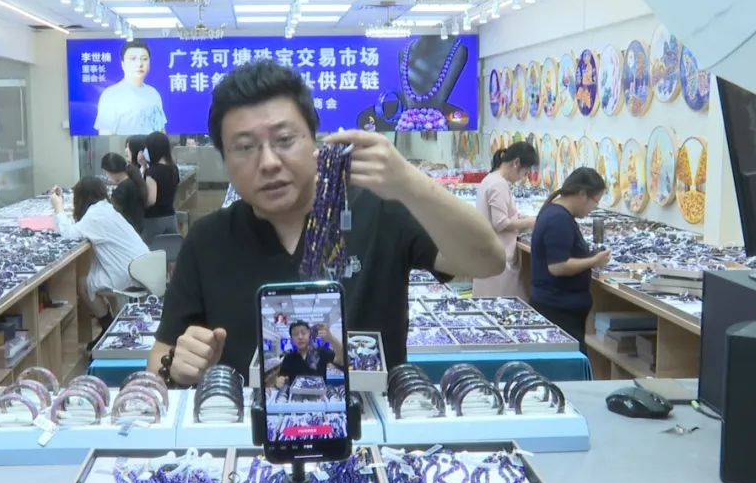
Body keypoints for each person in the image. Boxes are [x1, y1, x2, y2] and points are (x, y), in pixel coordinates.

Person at [148, 60, 505, 386]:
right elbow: (160, 359)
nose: (269, 162)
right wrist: (176, 365)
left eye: (284, 140)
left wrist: (410, 184)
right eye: (244, 147)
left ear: (314, 140)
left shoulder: (378, 210)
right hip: (249, 433)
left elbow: (487, 261)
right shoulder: (207, 241)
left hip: (372, 428)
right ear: (225, 159)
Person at [529, 167, 612, 355]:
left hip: (559, 306)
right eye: (595, 202)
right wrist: (593, 261)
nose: (592, 209)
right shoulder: (558, 219)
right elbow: (558, 267)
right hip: (558, 310)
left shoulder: (556, 213)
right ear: (582, 194)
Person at [49, 177, 149, 331]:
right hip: (143, 266)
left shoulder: (95, 216)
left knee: (83, 284)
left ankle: (106, 326)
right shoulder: (106, 209)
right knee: (91, 275)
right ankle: (109, 322)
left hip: (129, 273)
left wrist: (58, 208)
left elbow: (68, 234)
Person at [473, 142, 540, 298]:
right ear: (516, 163)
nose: (524, 176)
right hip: (497, 256)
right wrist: (532, 222)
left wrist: (519, 218)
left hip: (488, 255)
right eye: (525, 171)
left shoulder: (491, 179)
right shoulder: (499, 184)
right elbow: (501, 223)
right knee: (501, 302)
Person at [93, 41, 166, 136]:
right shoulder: (110, 95)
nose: (139, 64)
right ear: (123, 64)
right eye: (133, 59)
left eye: (144, 59)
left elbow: (161, 131)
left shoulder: (154, 93)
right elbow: (105, 135)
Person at [140, 131, 180, 243]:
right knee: (171, 248)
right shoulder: (173, 168)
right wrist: (144, 166)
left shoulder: (153, 171)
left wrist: (139, 205)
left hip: (154, 220)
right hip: (171, 216)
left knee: (150, 250)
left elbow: (151, 200)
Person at [276, 321, 342, 387]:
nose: (300, 337)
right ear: (292, 339)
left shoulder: (321, 352)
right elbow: (283, 375)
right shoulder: (288, 358)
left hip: (319, 393)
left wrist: (331, 338)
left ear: (309, 336)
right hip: (296, 393)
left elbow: (341, 360)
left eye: (304, 333)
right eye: (296, 334)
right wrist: (281, 379)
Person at [100, 152, 147, 234]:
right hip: (137, 228)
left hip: (126, 231)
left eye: (106, 172)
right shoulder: (134, 182)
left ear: (112, 171)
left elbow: (114, 214)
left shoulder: (122, 189)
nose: (107, 176)